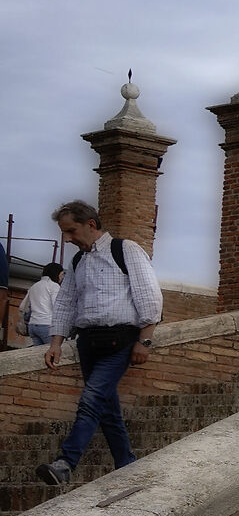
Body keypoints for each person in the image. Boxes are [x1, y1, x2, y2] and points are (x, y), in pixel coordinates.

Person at [32, 202, 162, 489]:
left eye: (71, 231)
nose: (67, 238)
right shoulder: (78, 261)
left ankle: (66, 463)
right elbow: (66, 303)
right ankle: (126, 464)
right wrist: (55, 342)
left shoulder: (125, 250)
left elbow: (148, 294)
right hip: (88, 342)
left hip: (120, 339)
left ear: (90, 224)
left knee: (91, 400)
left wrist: (145, 340)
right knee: (106, 409)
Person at [20, 263, 63, 346]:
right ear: (57, 274)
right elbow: (57, 307)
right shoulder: (54, 286)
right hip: (47, 325)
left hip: (32, 325)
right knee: (52, 351)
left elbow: (22, 306)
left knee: (39, 353)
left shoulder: (34, 286)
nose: (62, 278)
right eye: (61, 274)